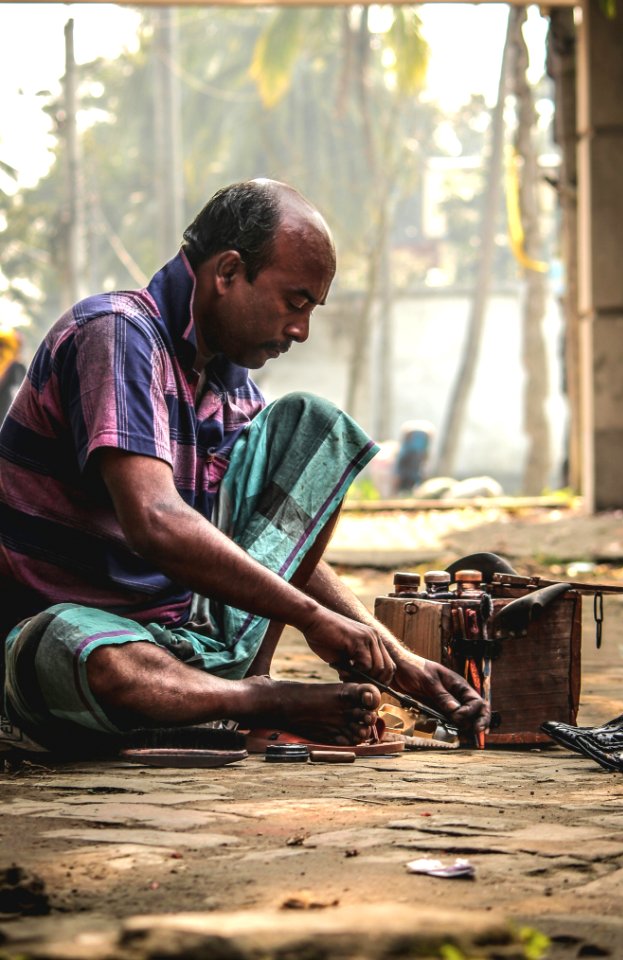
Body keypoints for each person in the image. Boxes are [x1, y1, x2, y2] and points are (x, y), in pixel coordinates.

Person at [0, 179, 489, 756]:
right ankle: (256, 701)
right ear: (228, 272)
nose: (301, 329)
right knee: (84, 655)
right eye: (295, 301)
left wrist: (398, 662)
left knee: (313, 424)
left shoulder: (235, 391)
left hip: (181, 643)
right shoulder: (116, 334)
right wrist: (311, 621)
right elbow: (154, 519)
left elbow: (283, 551)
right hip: (61, 636)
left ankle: (216, 698)